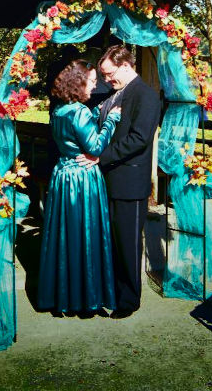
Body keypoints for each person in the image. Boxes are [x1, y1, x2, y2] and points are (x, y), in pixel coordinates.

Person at [76, 45, 161, 319]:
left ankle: (128, 300)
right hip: (110, 180)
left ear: (125, 66)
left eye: (110, 74)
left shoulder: (145, 95)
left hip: (129, 182)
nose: (107, 80)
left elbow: (139, 139)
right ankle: (111, 291)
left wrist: (99, 157)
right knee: (111, 242)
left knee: (127, 244)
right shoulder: (115, 93)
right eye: (103, 75)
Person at [37, 59, 121, 316]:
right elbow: (94, 147)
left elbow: (73, 133)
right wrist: (111, 121)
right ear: (78, 82)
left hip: (62, 176)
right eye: (92, 81)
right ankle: (86, 297)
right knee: (85, 234)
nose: (95, 87)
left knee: (65, 235)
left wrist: (95, 115)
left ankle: (61, 294)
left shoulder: (59, 110)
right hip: (82, 179)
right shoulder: (79, 112)